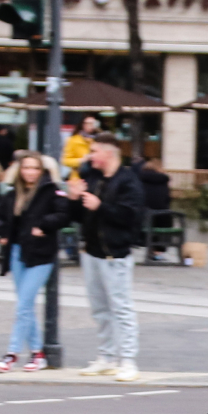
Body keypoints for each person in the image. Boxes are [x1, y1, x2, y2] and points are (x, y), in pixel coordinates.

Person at [71, 138, 146, 380]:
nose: (89, 156)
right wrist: (74, 199)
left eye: (94, 152)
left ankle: (128, 360)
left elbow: (130, 216)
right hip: (91, 251)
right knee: (100, 308)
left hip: (115, 253)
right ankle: (107, 357)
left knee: (121, 307)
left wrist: (100, 205)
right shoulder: (94, 178)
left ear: (108, 154)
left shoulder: (128, 181)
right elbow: (81, 215)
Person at [0, 151, 66, 373]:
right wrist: (2, 231)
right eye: (26, 168)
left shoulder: (51, 191)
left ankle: (11, 354)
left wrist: (43, 225)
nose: (30, 172)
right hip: (17, 252)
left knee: (23, 305)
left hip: (40, 254)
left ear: (42, 170)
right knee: (25, 306)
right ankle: (38, 353)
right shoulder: (14, 193)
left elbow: (63, 215)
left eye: (34, 168)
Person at [138, 148, 176, 262]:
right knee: (166, 217)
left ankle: (151, 250)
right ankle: (158, 252)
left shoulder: (139, 180)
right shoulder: (163, 181)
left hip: (143, 218)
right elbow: (167, 200)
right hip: (162, 218)